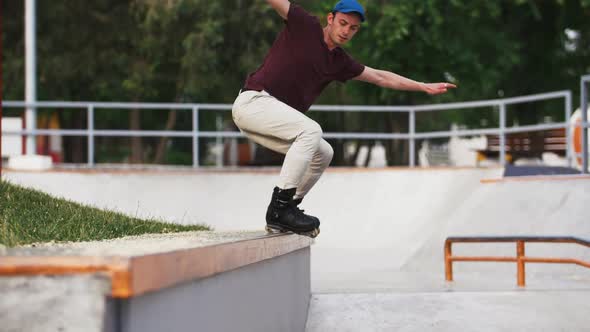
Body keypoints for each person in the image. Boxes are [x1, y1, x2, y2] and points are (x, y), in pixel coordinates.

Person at [231, 0, 456, 238]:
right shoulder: (304, 25)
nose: (346, 31)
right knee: (311, 131)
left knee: (323, 152)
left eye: (353, 28)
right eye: (343, 23)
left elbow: (380, 77)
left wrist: (422, 86)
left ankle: (288, 209)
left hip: (267, 116)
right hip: (253, 102)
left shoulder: (339, 62)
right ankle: (279, 209)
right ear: (331, 19)